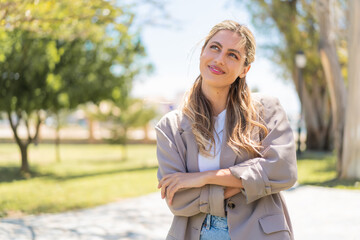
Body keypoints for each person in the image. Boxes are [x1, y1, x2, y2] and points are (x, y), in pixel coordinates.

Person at [156, 20, 297, 240]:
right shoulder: (170, 126)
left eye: (233, 55)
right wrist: (249, 183)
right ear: (202, 52)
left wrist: (202, 178)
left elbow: (283, 171)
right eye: (215, 47)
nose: (220, 59)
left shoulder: (266, 110)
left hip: (260, 233)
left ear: (244, 69)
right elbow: (179, 200)